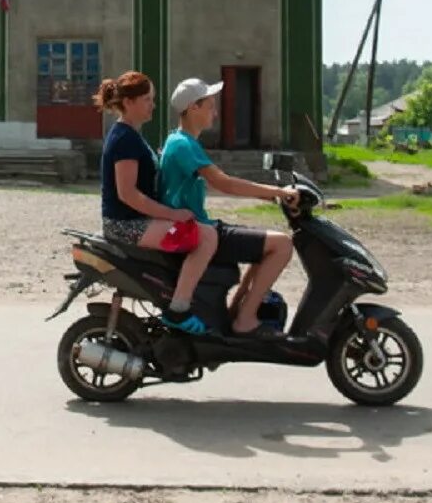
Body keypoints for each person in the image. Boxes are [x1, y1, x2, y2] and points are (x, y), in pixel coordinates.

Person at [160, 77, 300, 337]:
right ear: (193, 108)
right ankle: (245, 320)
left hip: (201, 226)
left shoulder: (181, 141)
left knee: (265, 244)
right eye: (210, 105)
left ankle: (237, 312)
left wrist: (268, 195)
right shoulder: (183, 144)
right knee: (281, 245)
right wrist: (278, 192)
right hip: (198, 231)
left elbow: (221, 183)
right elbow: (225, 184)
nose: (215, 112)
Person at [94, 71, 220, 336]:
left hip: (137, 221)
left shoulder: (131, 134)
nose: (153, 105)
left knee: (201, 231)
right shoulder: (124, 139)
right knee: (206, 236)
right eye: (147, 99)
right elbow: (128, 194)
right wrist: (172, 214)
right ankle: (178, 309)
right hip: (126, 225)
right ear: (129, 103)